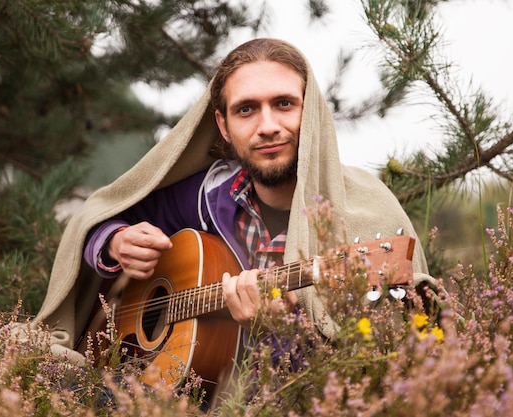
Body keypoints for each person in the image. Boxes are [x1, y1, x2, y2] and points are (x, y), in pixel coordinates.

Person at [32, 37, 436, 396]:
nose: (268, 126)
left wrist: (282, 331)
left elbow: (383, 363)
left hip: (278, 403)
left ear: (309, 112)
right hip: (165, 386)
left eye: (283, 104)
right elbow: (105, 215)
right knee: (41, 378)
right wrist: (117, 241)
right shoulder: (207, 194)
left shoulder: (363, 209)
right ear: (223, 126)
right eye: (246, 110)